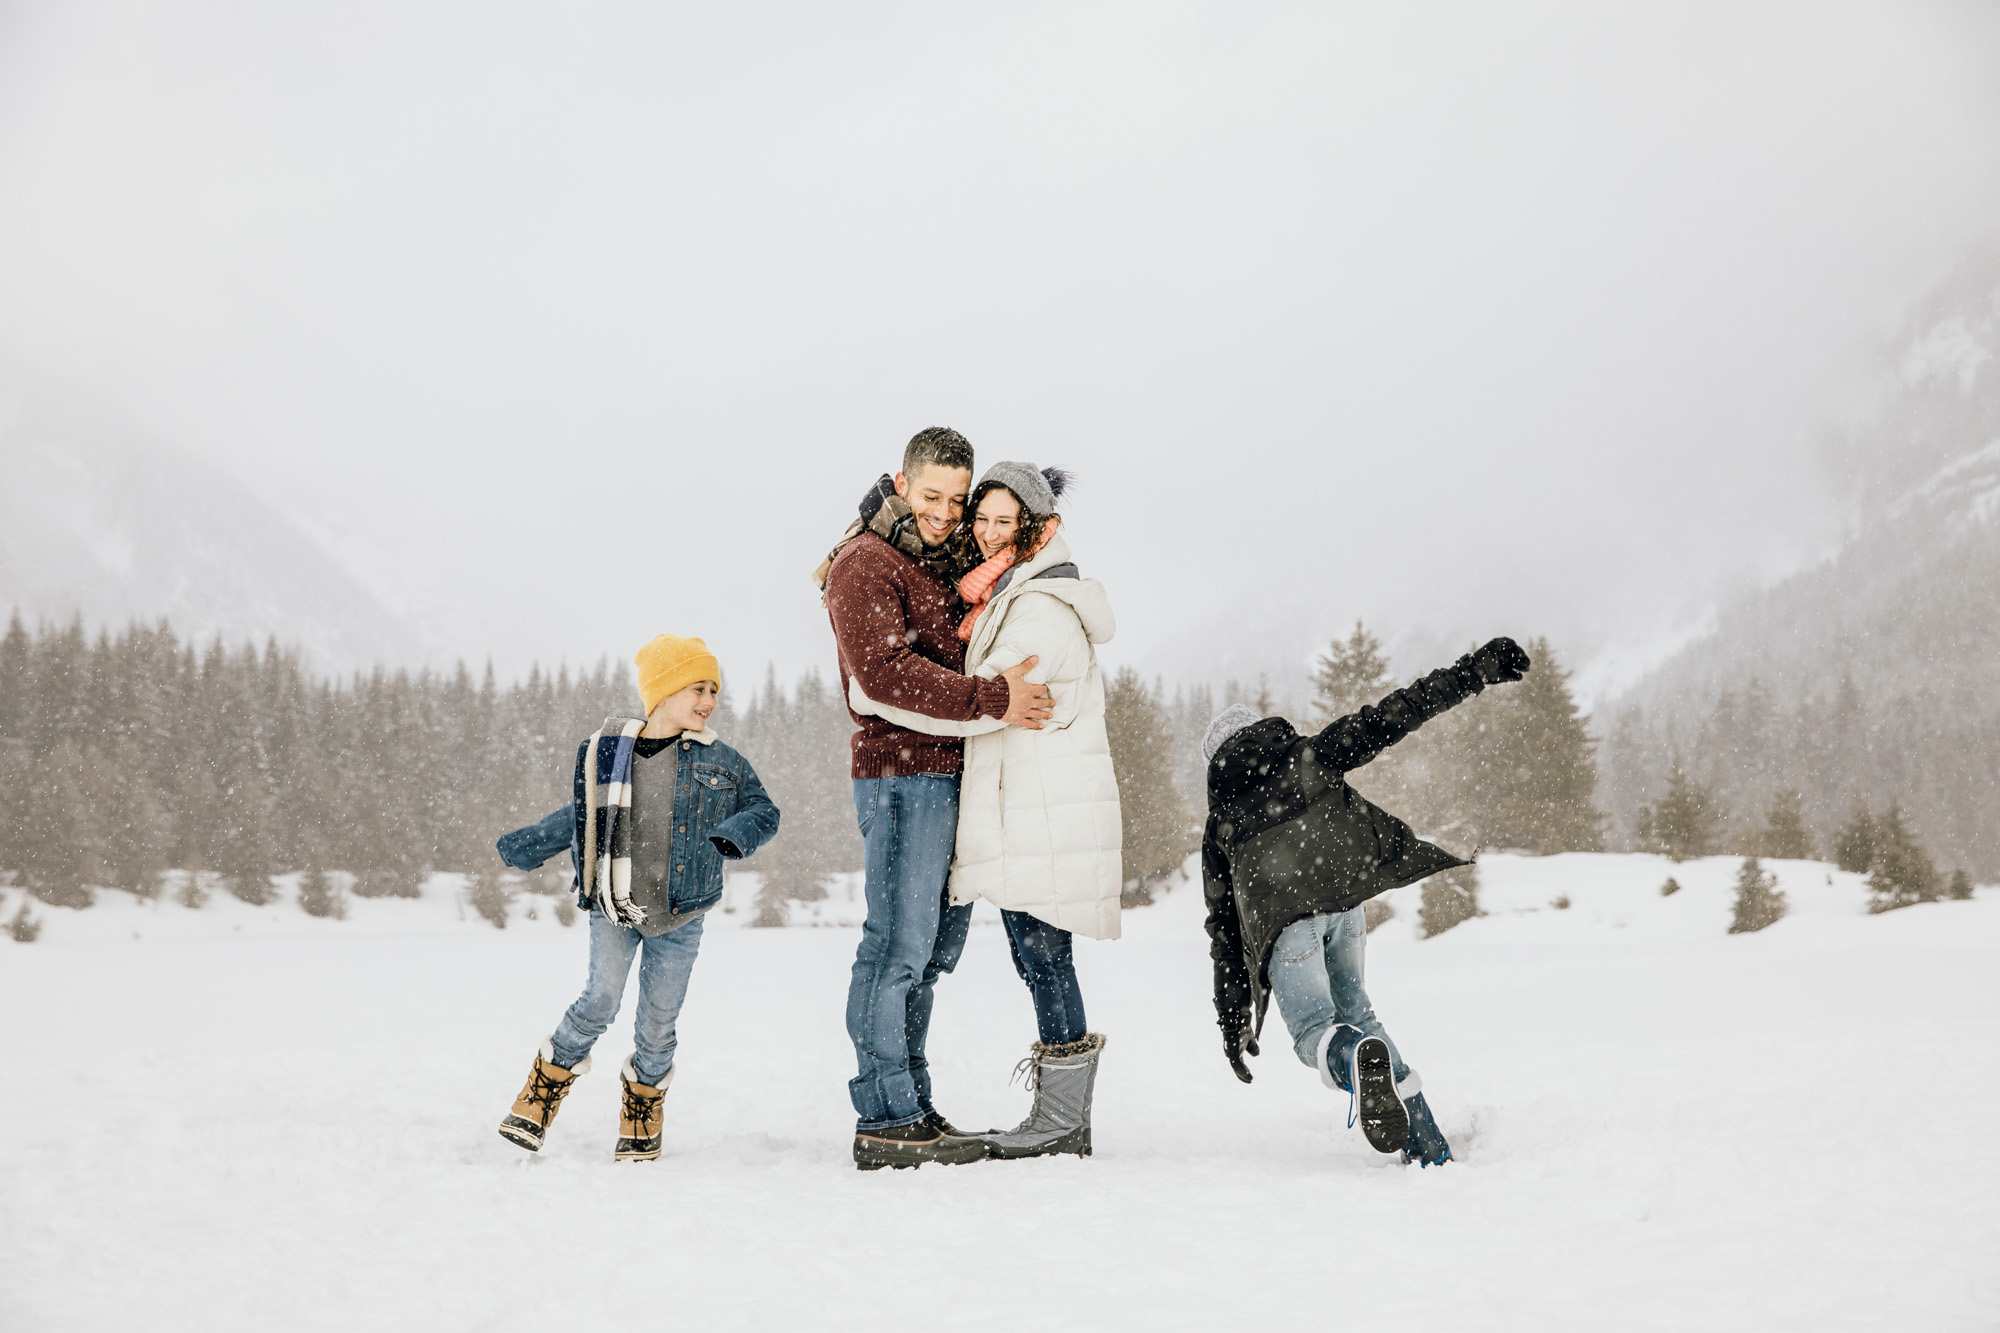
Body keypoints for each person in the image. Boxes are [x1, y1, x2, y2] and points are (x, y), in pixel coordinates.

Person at [847, 461, 1121, 1160]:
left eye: (1006, 520)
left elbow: (983, 692)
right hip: (994, 801)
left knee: (1034, 954)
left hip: (1029, 809)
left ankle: (1058, 1118)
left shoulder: (1036, 606)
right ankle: (902, 1108)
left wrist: (964, 696)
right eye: (984, 518)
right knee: (928, 951)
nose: (988, 531)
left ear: (1039, 529)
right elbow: (957, 685)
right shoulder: (1000, 590)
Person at [816, 427, 1055, 1170]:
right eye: (932, 497)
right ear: (900, 483)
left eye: (958, 499)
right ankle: (885, 1112)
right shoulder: (865, 564)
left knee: (927, 954)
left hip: (944, 775)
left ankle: (911, 1105)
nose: (947, 514)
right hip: (900, 777)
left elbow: (1010, 549)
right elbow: (880, 677)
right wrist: (994, 698)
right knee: (895, 947)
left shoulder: (930, 558)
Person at [1199, 637, 1531, 1166]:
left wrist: (1233, 1016)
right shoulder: (1308, 756)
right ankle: (1427, 1145)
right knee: (1359, 1012)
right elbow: (1392, 716)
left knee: (1316, 1031)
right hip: (1345, 903)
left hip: (1289, 924)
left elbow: (1224, 930)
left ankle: (1351, 1058)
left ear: (1217, 763)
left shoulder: (1223, 823)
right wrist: (1473, 671)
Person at [493, 635, 779, 1161]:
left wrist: (737, 832)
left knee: (657, 1020)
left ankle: (642, 1107)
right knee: (599, 999)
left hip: (682, 911)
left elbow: (765, 810)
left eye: (714, 689)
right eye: (698, 687)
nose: (709, 700)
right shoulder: (611, 755)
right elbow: (585, 816)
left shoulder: (724, 761)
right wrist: (532, 843)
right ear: (664, 690)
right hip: (614, 902)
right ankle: (539, 1095)